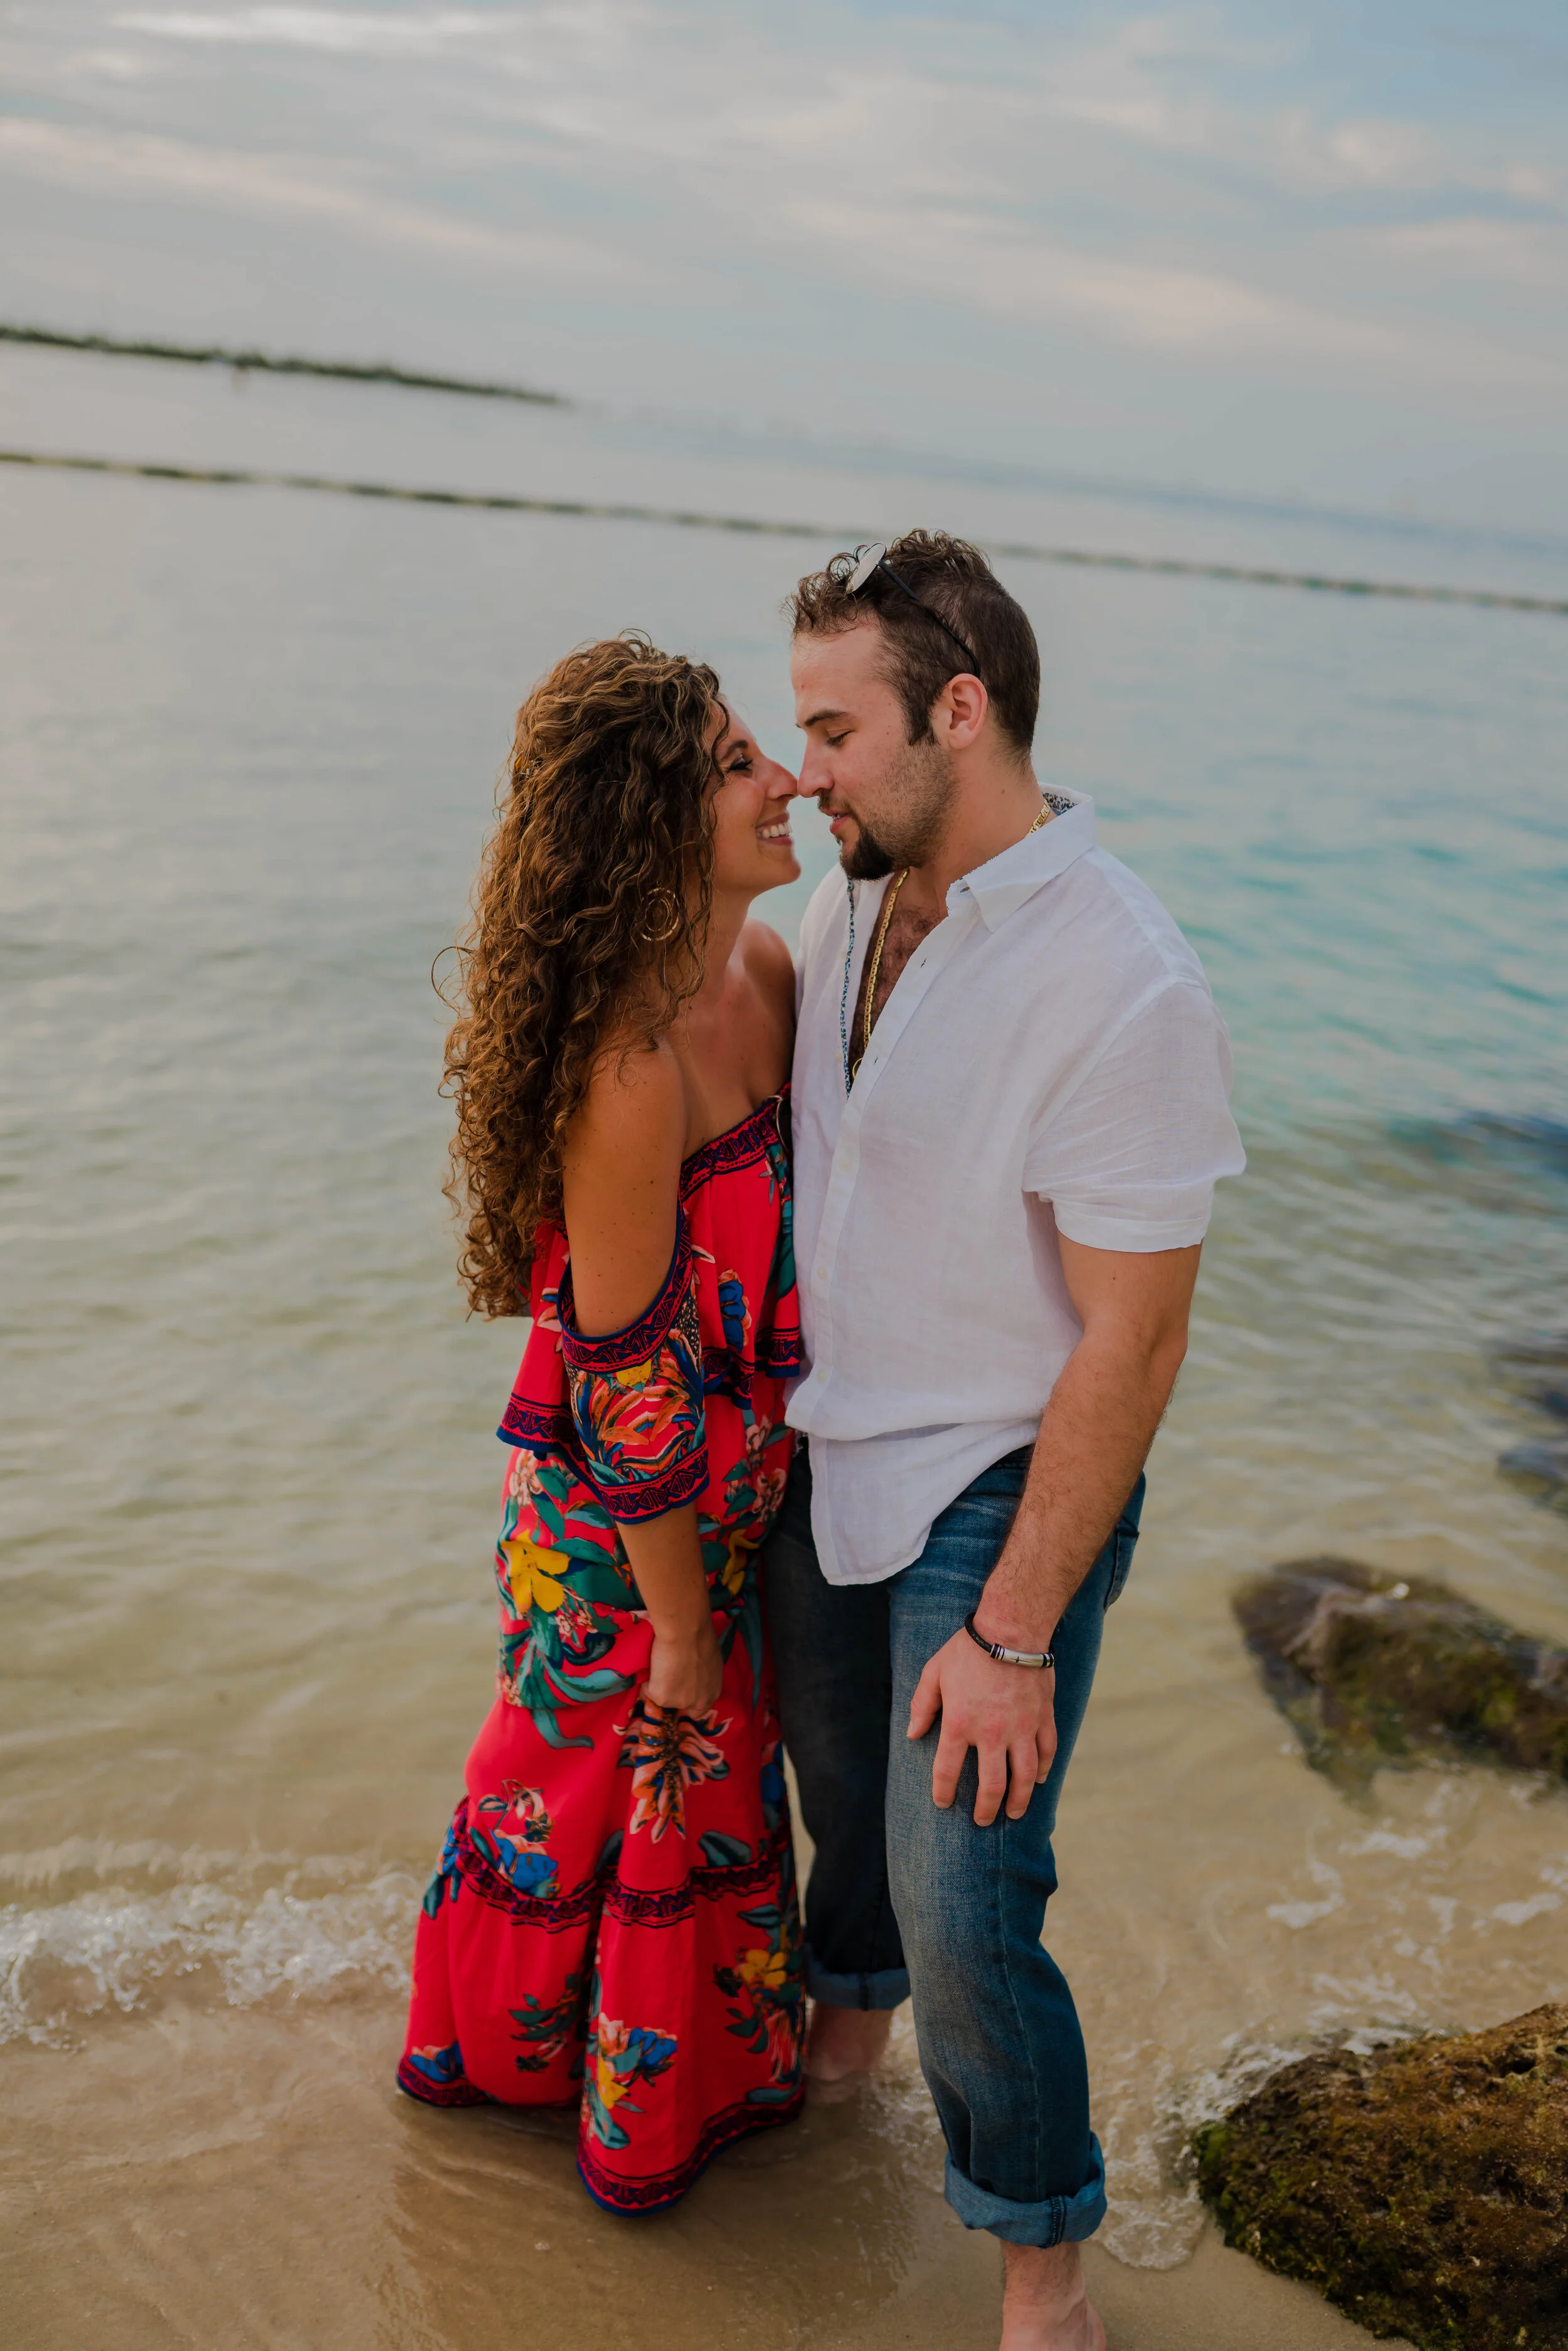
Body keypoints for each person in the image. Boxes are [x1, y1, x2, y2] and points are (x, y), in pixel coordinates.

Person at [763, 534, 1245, 2350]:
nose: (803, 765)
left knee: (965, 1890)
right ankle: (840, 2055)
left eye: (832, 725)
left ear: (955, 712)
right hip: (828, 1450)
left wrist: (1017, 1624)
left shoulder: (1125, 982)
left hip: (1002, 1471)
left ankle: (1043, 2274)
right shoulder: (844, 900)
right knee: (841, 1821)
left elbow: (1136, 1334)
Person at [400, 634, 808, 2217]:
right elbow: (626, 1394)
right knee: (588, 1794)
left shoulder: (764, 977)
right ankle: (512, 2097)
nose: (782, 779)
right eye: (734, 764)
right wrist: (683, 1628)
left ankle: (665, 2096)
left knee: (692, 1804)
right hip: (614, 1534)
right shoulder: (625, 1072)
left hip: (722, 1510)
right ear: (650, 823)